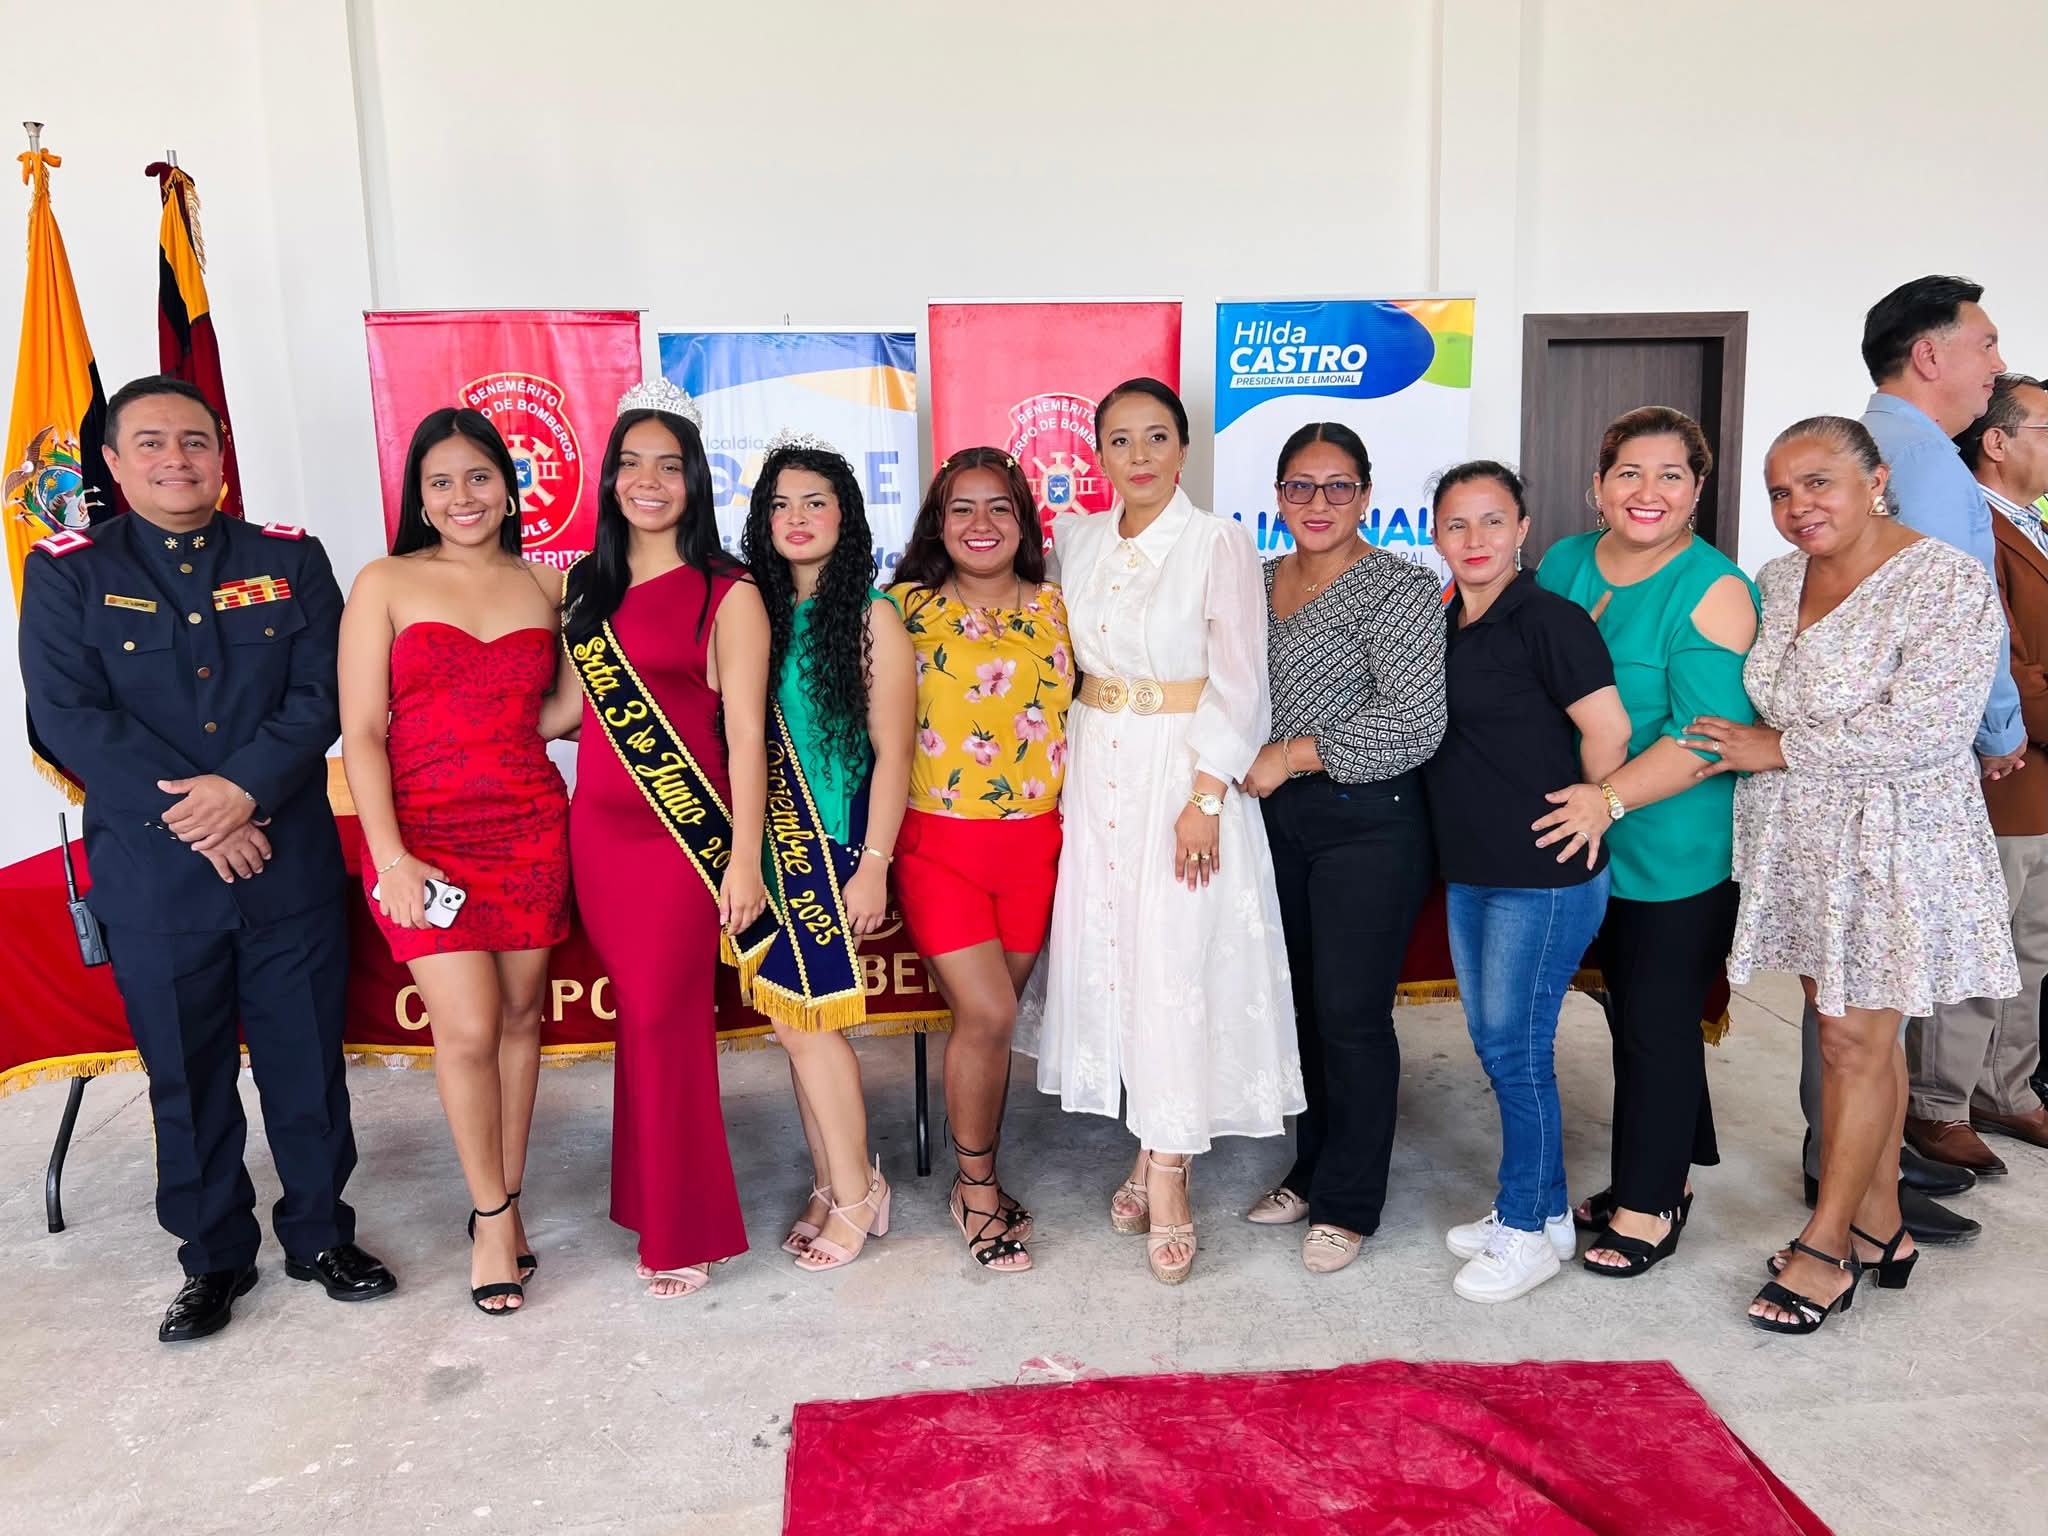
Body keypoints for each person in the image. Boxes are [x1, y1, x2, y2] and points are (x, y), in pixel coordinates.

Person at [18, 374, 395, 1343]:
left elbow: (322, 694)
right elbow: (67, 717)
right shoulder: (66, 573)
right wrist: (205, 815)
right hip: (157, 876)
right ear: (112, 462)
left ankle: (320, 1235)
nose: (175, 459)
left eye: (194, 441)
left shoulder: (289, 557)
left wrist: (244, 792)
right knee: (185, 1081)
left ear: (221, 455)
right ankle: (213, 1257)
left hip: (285, 864)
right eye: (149, 443)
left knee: (306, 1065)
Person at [1694, 415, 2016, 1334]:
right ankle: (1883, 1230)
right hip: (1803, 845)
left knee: (1852, 1044)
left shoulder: (1945, 580)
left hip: (1893, 844)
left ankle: (1828, 1243)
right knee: (1852, 1042)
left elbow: (1929, 729)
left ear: (1874, 480)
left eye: (1817, 483)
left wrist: (1779, 747)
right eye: (1779, 492)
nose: (1797, 506)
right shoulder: (1778, 577)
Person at [1020, 377, 1302, 1286]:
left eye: (1155, 437)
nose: (1138, 455)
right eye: (1119, 440)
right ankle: (1149, 1144)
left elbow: (1241, 681)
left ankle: (1172, 1173)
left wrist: (1207, 796)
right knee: (1124, 961)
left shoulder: (1216, 541)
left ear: (1183, 448)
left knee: (1178, 962)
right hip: (1097, 769)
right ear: (1098, 455)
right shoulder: (1076, 540)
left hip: (1182, 777)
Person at [1794, 276, 2016, 1240]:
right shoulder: (1917, 460)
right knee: (1856, 1015)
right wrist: (1999, 728)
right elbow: (1940, 638)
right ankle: (1850, 1179)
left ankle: (1873, 1174)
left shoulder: (1912, 449)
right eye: (1986, 344)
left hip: (1882, 773)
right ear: (1929, 354)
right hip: (1874, 782)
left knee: (1871, 1009)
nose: (1997, 365)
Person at [339, 407, 569, 1315]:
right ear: (420, 498)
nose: (461, 496)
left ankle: (503, 1202)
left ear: (509, 489)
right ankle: (490, 1218)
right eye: (440, 482)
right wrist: (390, 856)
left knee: (519, 1020)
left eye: (478, 477)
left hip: (529, 826)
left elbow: (558, 713)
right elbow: (361, 731)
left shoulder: (547, 585)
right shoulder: (386, 580)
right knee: (468, 1030)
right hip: (422, 838)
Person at [544, 382, 768, 1299]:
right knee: (640, 1021)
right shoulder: (586, 586)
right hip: (600, 835)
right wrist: (458, 712)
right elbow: (568, 710)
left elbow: (747, 736)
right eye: (631, 463)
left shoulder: (728, 590)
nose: (648, 480)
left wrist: (743, 858)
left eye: (668, 466)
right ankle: (653, 1200)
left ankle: (686, 1228)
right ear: (609, 478)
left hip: (685, 837)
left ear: (694, 481)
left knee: (668, 1022)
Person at [1535, 405, 1759, 1277]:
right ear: (1598, 485)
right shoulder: (1563, 561)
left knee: (1657, 1021)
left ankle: (1651, 1201)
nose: (1648, 490)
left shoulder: (1715, 588)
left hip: (1672, 844)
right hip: (1578, 833)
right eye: (1629, 472)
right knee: (1629, 1009)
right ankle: (1664, 1167)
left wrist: (1606, 798)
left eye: (1671, 475)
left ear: (1698, 489)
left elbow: (1707, 739)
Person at [1235, 422, 1445, 1275]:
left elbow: (1415, 721)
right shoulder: (1254, 581)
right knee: (1301, 1009)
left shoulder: (1401, 587)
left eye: (1337, 486)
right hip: (1272, 821)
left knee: (1352, 1014)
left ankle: (1349, 1203)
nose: (1317, 503)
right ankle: (1312, 1167)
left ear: (1365, 495)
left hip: (1369, 819)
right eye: (1300, 486)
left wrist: (1291, 754)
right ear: (1278, 496)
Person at [1423, 463, 1629, 1303]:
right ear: (1436, 535)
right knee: (1498, 1044)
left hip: (1540, 879)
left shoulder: (1548, 619)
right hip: (1473, 871)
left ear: (1523, 529)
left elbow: (1608, 729)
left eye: (1492, 521)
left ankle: (1524, 1233)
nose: (1475, 539)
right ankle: (1542, 1211)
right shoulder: (1447, 622)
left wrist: (1597, 805)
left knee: (1517, 1050)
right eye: (1457, 524)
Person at [888, 447, 1073, 1273]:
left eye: (999, 506)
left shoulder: (1061, 608)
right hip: (938, 844)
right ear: (938, 523)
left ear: (1024, 522)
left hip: (1035, 847)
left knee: (989, 1027)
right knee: (991, 1015)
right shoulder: (900, 609)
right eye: (961, 508)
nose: (981, 524)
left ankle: (977, 1169)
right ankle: (976, 1189)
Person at [741, 428, 916, 1273]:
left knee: (811, 1027)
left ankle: (858, 1191)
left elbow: (895, 752)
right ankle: (828, 1180)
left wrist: (874, 864)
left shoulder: (872, 616)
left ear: (846, 516)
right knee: (791, 1024)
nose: (798, 517)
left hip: (835, 846)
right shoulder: (757, 613)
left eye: (816, 502)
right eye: (781, 504)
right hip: (768, 850)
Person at [1906, 375, 2048, 1164]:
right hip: (1999, 773)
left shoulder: (2033, 524)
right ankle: (1939, 1103)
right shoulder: (1972, 527)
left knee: (2031, 946)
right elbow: (2003, 668)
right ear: (1997, 441)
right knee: (1973, 945)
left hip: (2038, 779)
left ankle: (2007, 1088)